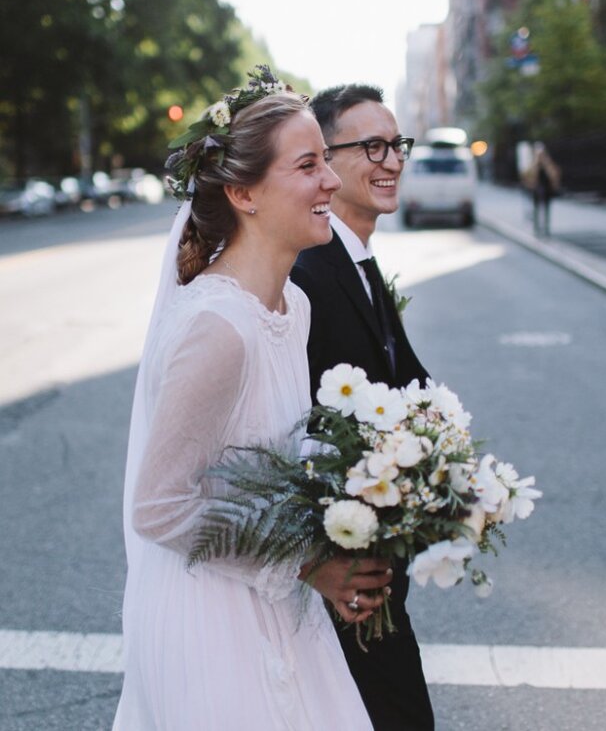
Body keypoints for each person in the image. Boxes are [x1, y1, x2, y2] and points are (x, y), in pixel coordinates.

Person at [113, 68, 382, 730]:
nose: (329, 181)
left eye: (327, 160)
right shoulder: (219, 329)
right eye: (308, 164)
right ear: (243, 192)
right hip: (210, 619)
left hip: (277, 608)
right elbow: (158, 505)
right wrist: (307, 562)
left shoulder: (294, 307)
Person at [290, 83, 435, 731]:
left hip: (372, 566)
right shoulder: (307, 274)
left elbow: (405, 382)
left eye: (397, 143)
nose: (393, 159)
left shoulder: (358, 260)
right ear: (324, 159)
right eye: (371, 145)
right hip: (342, 573)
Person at [524, 142, 561, 237]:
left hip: (546, 190)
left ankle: (546, 228)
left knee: (546, 209)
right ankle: (537, 229)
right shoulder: (533, 163)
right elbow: (529, 176)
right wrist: (536, 162)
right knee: (536, 209)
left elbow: (554, 175)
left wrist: (546, 162)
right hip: (536, 190)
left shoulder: (548, 163)